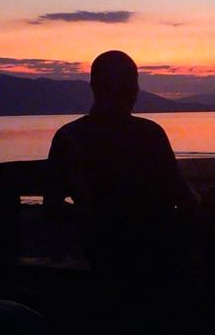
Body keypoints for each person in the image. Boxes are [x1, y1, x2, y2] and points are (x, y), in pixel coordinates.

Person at [44, 50, 201, 310]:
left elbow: (51, 205)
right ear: (133, 88)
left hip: (98, 248)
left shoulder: (69, 136)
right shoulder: (149, 134)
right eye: (133, 83)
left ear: (94, 86)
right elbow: (183, 196)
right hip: (151, 249)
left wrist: (89, 218)